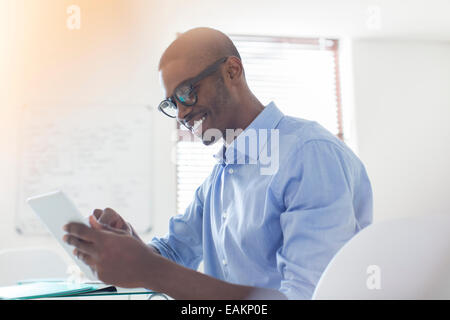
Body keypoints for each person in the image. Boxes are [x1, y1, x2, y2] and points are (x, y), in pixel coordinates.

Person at [63, 27, 373, 300]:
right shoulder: (219, 179)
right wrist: (129, 244)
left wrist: (149, 270)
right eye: (173, 103)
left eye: (187, 92)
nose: (182, 114)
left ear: (233, 71)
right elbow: (174, 252)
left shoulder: (308, 154)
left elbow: (308, 297)